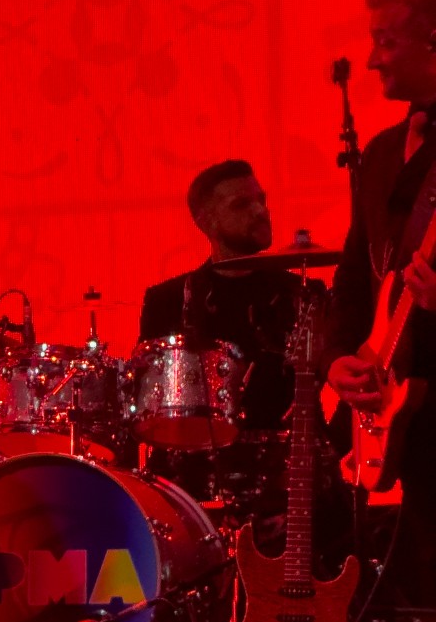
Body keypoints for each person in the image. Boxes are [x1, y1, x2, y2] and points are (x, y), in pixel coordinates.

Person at [137, 161, 348, 562]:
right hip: (200, 476)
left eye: (261, 200)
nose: (260, 211)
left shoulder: (303, 293)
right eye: (241, 204)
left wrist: (332, 446)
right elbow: (151, 407)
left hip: (295, 476)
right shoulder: (169, 301)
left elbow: (348, 379)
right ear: (206, 221)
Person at [326, 0, 436, 613]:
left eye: (386, 42)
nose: (371, 60)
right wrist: (338, 358)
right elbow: (353, 278)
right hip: (400, 412)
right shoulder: (384, 151)